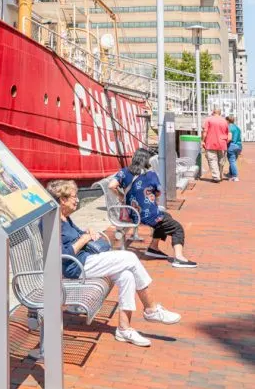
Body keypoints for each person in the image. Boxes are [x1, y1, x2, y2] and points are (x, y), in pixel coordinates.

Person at [47, 178, 181, 347]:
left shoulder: (65, 217)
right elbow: (62, 254)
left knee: (126, 276)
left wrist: (86, 232)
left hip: (85, 260)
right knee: (130, 258)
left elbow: (75, 235)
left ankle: (124, 329)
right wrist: (85, 238)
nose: (77, 199)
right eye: (74, 196)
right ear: (62, 199)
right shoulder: (53, 222)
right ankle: (151, 309)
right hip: (76, 266)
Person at [109, 148, 197, 268]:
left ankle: (153, 248)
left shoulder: (124, 172)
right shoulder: (150, 175)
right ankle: (179, 258)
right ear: (146, 161)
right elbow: (159, 192)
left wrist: (121, 195)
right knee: (177, 228)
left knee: (166, 217)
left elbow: (111, 185)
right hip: (148, 215)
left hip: (133, 214)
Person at [201, 106, 230, 183]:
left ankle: (216, 177)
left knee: (212, 160)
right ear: (220, 113)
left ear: (213, 112)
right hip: (222, 143)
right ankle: (219, 175)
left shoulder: (208, 120)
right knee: (221, 160)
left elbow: (205, 132)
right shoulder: (224, 121)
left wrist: (203, 141)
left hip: (210, 143)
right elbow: (228, 133)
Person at [226, 114, 242, 181]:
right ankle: (231, 174)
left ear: (228, 120)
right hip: (239, 146)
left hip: (231, 145)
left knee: (232, 161)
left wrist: (225, 144)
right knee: (233, 161)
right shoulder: (237, 128)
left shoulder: (229, 127)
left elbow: (229, 138)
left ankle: (235, 176)